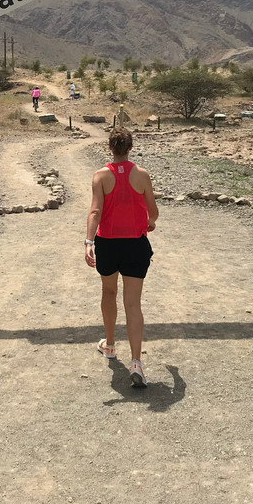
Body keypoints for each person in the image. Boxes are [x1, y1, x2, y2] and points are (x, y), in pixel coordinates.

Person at [85, 127, 158, 387]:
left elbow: (95, 211)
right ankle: (136, 361)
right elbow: (153, 212)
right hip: (135, 245)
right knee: (133, 304)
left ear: (110, 148)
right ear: (130, 148)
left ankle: (111, 345)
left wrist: (88, 241)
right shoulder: (142, 175)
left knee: (109, 293)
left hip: (108, 243)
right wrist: (149, 222)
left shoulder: (101, 176)